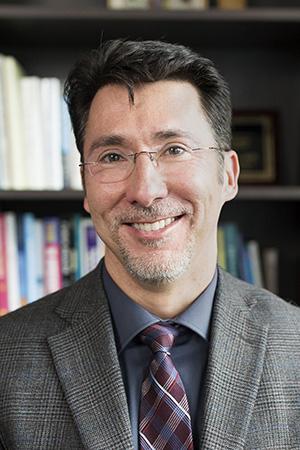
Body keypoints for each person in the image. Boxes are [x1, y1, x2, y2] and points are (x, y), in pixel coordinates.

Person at [0, 39, 300, 450]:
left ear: (228, 175)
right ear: (85, 185)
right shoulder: (6, 358)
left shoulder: (295, 347)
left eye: (174, 149)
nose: (145, 190)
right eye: (112, 156)